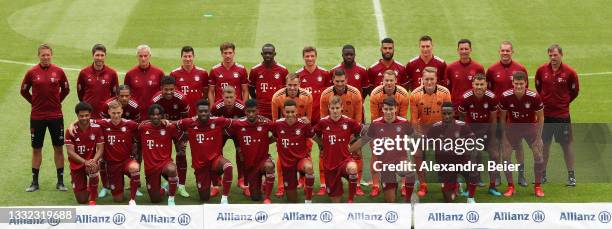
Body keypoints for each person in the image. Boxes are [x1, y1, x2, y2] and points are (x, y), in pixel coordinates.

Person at [20, 44, 70, 192]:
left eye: (48, 55)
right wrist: (34, 102)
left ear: (51, 55)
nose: (46, 57)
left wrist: (57, 101)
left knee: (58, 148)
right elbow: (23, 91)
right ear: (39, 56)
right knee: (36, 149)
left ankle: (60, 182)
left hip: (55, 116)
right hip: (37, 116)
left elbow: (66, 89)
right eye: (43, 55)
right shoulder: (31, 72)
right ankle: (34, 182)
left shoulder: (59, 72)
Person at [349, 97, 416, 203]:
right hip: (385, 164)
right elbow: (364, 140)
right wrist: (348, 151)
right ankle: (392, 185)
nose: (388, 112)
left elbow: (415, 137)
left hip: (400, 160)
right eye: (386, 109)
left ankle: (408, 200)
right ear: (382, 109)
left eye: (391, 109)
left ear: (395, 109)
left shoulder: (404, 123)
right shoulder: (375, 124)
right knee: (390, 202)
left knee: (409, 171)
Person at [486, 41, 529, 187]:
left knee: (518, 146)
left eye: (508, 51)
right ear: (499, 51)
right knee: (497, 146)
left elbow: (524, 91)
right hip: (498, 116)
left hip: (515, 117)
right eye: (503, 51)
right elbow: (489, 92)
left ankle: (522, 175)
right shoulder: (492, 70)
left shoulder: (520, 68)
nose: (505, 53)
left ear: (512, 52)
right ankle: (497, 175)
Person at [535, 44, 580, 186]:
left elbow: (574, 91)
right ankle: (543, 175)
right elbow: (538, 87)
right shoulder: (541, 70)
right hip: (545, 115)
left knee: (566, 146)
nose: (552, 58)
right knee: (544, 145)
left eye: (555, 55)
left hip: (562, 116)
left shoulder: (570, 72)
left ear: (561, 54)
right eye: (550, 55)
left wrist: (564, 102)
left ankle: (571, 176)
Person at [177, 99, 234, 204]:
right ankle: (212, 182)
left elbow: (237, 122)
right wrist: (181, 139)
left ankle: (224, 198)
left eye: (206, 111)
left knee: (228, 166)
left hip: (215, 160)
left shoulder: (218, 121)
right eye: (201, 111)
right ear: (197, 111)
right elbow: (173, 126)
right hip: (200, 165)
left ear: (209, 111)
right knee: (204, 198)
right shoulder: (189, 122)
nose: (203, 113)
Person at [499, 71, 545, 197]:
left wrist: (539, 137)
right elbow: (502, 118)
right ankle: (510, 186)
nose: (519, 86)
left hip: (530, 127)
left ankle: (538, 186)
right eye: (516, 83)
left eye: (521, 84)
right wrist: (503, 136)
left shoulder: (534, 96)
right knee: (506, 155)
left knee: (538, 153)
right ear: (512, 83)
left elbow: (541, 117)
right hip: (512, 127)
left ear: (526, 83)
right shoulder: (505, 96)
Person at [319, 69, 364, 196]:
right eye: (337, 81)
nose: (339, 84)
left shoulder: (355, 93)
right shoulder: (325, 94)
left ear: (346, 80)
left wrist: (351, 141)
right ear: (333, 80)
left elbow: (358, 118)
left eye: (342, 81)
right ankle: (323, 185)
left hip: (350, 127)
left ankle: (358, 185)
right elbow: (323, 118)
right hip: (331, 128)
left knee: (357, 154)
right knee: (324, 153)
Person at [410, 66, 451, 197]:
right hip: (422, 131)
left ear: (436, 79)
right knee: (416, 153)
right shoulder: (415, 95)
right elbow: (414, 119)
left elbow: (448, 116)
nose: (429, 82)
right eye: (426, 79)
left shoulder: (445, 93)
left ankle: (446, 182)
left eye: (432, 79)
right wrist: (419, 135)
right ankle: (423, 184)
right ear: (422, 79)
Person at [458, 74, 502, 196]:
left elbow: (493, 120)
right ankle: (469, 187)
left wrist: (493, 139)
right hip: (471, 132)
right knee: (472, 157)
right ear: (472, 85)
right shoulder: (465, 98)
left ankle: (492, 186)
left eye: (481, 84)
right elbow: (461, 120)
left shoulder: (492, 97)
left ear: (486, 85)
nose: (479, 87)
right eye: (476, 84)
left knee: (495, 155)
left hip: (487, 131)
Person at [368, 69, 410, 197]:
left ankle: (403, 185)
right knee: (375, 154)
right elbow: (374, 116)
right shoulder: (375, 93)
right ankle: (375, 185)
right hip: (380, 125)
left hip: (396, 125)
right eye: (387, 80)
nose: (389, 83)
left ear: (396, 81)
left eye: (392, 80)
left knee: (402, 152)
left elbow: (402, 117)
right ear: (382, 81)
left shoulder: (403, 94)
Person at [270, 73, 313, 197]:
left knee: (306, 155)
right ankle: (281, 186)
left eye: (295, 85)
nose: (293, 88)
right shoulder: (277, 97)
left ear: (299, 84)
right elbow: (275, 121)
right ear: (285, 84)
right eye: (290, 85)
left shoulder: (307, 96)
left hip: (301, 130)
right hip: (284, 130)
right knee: (282, 156)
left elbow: (307, 119)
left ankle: (303, 182)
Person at [428, 102, 479, 203]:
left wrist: (467, 152)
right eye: (444, 113)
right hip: (445, 165)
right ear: (441, 113)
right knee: (449, 200)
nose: (447, 116)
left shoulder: (462, 126)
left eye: (449, 113)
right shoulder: (435, 127)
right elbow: (427, 142)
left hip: (461, 161)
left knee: (473, 171)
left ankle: (470, 197)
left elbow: (473, 142)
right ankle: (455, 185)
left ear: (454, 113)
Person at [313, 96, 361, 203]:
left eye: (337, 108)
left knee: (353, 168)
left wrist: (352, 147)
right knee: (335, 202)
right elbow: (313, 134)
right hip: (329, 164)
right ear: (329, 108)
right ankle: (338, 187)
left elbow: (363, 135)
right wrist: (322, 145)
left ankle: (351, 200)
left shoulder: (349, 122)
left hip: (345, 160)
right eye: (333, 108)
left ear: (342, 108)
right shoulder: (323, 123)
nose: (335, 111)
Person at [227, 99, 276, 203]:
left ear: (258, 111)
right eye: (248, 111)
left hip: (263, 160)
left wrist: (266, 142)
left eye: (253, 111)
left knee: (269, 166)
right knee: (255, 197)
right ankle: (262, 182)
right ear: (245, 111)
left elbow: (278, 134)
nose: (251, 114)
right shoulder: (238, 123)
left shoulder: (266, 122)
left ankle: (267, 197)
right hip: (249, 164)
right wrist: (239, 148)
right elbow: (229, 134)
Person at [95, 101, 141, 205]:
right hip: (112, 165)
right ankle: (119, 188)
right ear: (109, 112)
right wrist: (72, 124)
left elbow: (143, 126)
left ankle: (132, 199)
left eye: (119, 113)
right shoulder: (103, 123)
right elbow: (85, 121)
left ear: (122, 112)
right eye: (114, 113)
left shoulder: (129, 124)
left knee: (134, 167)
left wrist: (164, 121)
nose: (116, 115)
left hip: (126, 161)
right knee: (118, 199)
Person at [151, 76, 190, 197]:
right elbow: (153, 119)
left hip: (178, 128)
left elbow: (185, 121)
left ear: (175, 88)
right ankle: (169, 181)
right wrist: (162, 121)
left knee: (181, 153)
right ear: (161, 88)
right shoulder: (155, 100)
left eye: (171, 89)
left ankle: (182, 186)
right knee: (161, 157)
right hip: (162, 130)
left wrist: (184, 137)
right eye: (166, 89)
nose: (168, 92)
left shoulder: (182, 99)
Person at [138, 104, 180, 205]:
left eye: (158, 114)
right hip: (150, 167)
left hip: (165, 162)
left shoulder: (169, 127)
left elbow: (179, 137)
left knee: (172, 169)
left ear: (162, 116)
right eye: (152, 115)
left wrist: (180, 149)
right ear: (149, 116)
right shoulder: (142, 128)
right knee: (155, 200)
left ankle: (171, 198)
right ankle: (164, 190)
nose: (156, 117)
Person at [211, 86, 247, 197]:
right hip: (222, 132)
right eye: (227, 97)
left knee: (241, 153)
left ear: (236, 96)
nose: (229, 100)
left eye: (231, 97)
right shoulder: (216, 107)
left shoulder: (242, 107)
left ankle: (241, 178)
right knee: (216, 153)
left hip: (237, 132)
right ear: (222, 97)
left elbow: (246, 122)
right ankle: (218, 179)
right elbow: (212, 123)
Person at [65, 102, 104, 205]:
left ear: (90, 115)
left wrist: (93, 160)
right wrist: (84, 161)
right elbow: (70, 152)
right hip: (76, 165)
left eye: (86, 115)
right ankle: (81, 184)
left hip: (91, 163)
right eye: (81, 116)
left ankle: (93, 196)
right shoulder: (70, 131)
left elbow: (100, 149)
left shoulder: (97, 128)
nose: (84, 118)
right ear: (77, 116)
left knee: (93, 167)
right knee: (81, 200)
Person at [77, 44, 118, 119]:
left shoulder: (112, 73)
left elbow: (114, 95)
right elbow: (80, 93)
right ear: (93, 56)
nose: (99, 58)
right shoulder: (84, 73)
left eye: (102, 55)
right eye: (97, 55)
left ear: (105, 56)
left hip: (105, 115)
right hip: (88, 115)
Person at [248, 43, 289, 119]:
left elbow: (287, 90)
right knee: (261, 129)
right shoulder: (255, 70)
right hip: (261, 108)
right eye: (265, 53)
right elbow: (251, 88)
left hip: (277, 107)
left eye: (270, 53)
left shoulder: (283, 70)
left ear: (274, 54)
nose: (267, 55)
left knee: (277, 129)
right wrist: (258, 100)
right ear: (261, 54)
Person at [124, 44, 165, 119]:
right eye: (140, 56)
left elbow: (164, 94)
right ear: (137, 57)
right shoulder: (130, 74)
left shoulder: (159, 73)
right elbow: (126, 96)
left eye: (145, 56)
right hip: (136, 114)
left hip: (155, 115)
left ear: (150, 56)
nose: (143, 59)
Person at [445, 39, 485, 112]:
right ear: (458, 50)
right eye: (461, 49)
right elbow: (447, 89)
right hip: (455, 107)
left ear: (470, 50)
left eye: (466, 49)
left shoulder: (478, 68)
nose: (464, 51)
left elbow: (483, 88)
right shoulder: (450, 68)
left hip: (473, 107)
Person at [296, 46, 331, 126]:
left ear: (316, 57)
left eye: (312, 56)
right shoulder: (298, 75)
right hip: (304, 116)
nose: (310, 58)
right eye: (307, 56)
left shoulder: (325, 73)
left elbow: (330, 95)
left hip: (321, 115)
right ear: (303, 57)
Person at [170, 46, 209, 118]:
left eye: (190, 56)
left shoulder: (203, 73)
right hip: (181, 111)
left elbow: (206, 92)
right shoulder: (174, 74)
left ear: (193, 57)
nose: (187, 59)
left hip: (198, 112)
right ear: (181, 57)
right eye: (185, 56)